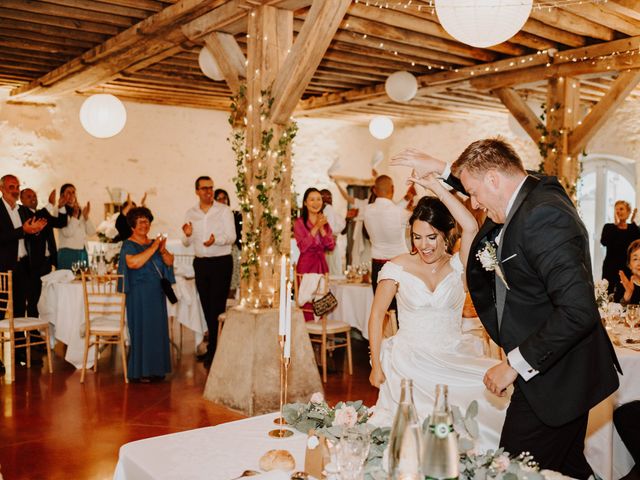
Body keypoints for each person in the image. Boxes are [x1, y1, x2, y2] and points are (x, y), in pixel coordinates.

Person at [392, 139, 621, 478]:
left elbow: (578, 311)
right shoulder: (529, 192)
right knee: (566, 466)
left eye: (474, 192)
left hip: (554, 375)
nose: (473, 202)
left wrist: (514, 364)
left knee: (508, 469)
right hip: (560, 371)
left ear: (495, 181)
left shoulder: (543, 216)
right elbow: (484, 179)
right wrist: (442, 170)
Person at [367, 192, 508, 452]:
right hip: (408, 362)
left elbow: (471, 226)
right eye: (417, 237)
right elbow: (376, 316)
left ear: (446, 233)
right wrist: (376, 365)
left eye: (432, 237)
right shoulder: (397, 267)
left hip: (453, 355)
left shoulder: (459, 265)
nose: (424, 245)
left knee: (499, 390)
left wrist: (436, 185)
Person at [182, 176, 236, 368]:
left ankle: (215, 351)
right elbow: (187, 242)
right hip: (201, 263)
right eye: (204, 188)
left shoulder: (223, 210)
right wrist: (187, 235)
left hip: (220, 262)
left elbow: (232, 236)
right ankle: (215, 346)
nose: (208, 191)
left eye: (210, 188)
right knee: (206, 307)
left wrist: (216, 240)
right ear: (196, 191)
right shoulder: (191, 212)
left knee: (217, 307)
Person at [118, 207, 174, 383]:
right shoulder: (128, 245)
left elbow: (170, 261)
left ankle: (157, 369)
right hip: (138, 295)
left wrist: (162, 250)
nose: (144, 224)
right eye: (140, 221)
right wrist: (154, 247)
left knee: (157, 330)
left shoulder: (154, 243)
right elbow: (134, 263)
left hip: (156, 294)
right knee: (142, 330)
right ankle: (141, 370)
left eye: (147, 220)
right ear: (132, 226)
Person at [0, 174, 47, 375]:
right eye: (11, 186)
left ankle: (19, 354)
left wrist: (34, 230)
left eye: (17, 186)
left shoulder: (21, 210)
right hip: (2, 267)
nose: (15, 190)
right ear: (2, 189)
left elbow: (27, 233)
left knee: (21, 309)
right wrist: (23, 230)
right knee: (1, 312)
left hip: (22, 265)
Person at [363, 175, 415, 315]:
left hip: (377, 266)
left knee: (382, 311)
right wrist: (410, 201)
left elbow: (387, 210)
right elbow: (396, 212)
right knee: (401, 311)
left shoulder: (367, 210)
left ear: (374, 190)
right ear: (392, 189)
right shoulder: (400, 213)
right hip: (399, 265)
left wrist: (406, 198)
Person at [20, 188, 68, 317]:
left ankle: (42, 329)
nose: (33, 198)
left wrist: (62, 207)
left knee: (46, 298)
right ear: (22, 200)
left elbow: (61, 223)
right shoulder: (23, 213)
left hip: (47, 262)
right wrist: (50, 204)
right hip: (33, 264)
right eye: (29, 196)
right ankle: (33, 333)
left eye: (34, 195)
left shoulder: (42, 214)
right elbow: (35, 219)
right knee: (34, 299)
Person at [293, 187, 335, 321]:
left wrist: (322, 228)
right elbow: (303, 247)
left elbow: (331, 245)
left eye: (319, 199)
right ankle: (305, 337)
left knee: (321, 303)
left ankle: (319, 337)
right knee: (306, 302)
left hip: (321, 266)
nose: (316, 202)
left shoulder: (325, 223)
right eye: (312, 199)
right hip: (306, 266)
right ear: (305, 203)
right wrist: (316, 226)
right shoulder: (299, 223)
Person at [601, 200, 640, 295]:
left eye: (621, 209)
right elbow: (604, 242)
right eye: (616, 209)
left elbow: (637, 243)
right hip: (610, 267)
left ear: (628, 211)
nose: (618, 211)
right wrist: (615, 225)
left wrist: (633, 223)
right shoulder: (609, 227)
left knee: (625, 295)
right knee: (608, 294)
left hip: (627, 268)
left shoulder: (633, 228)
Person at [57, 183, 95, 270]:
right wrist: (75, 216)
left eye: (73, 192)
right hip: (68, 252)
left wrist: (86, 216)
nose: (71, 195)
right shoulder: (59, 210)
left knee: (82, 282)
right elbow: (67, 233)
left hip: (82, 251)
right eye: (68, 193)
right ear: (62, 195)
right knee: (67, 282)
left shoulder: (79, 209)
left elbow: (91, 232)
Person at [214, 188, 242, 298]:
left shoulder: (235, 214)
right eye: (218, 198)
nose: (222, 201)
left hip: (233, 252)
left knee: (232, 285)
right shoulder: (212, 217)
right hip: (217, 253)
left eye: (224, 198)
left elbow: (239, 235)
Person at [320, 189, 346, 277]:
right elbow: (331, 229)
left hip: (333, 247)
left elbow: (341, 228)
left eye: (329, 197)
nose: (327, 199)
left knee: (334, 271)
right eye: (324, 197)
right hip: (323, 248)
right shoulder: (323, 212)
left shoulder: (333, 213)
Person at [614, 239, 640, 304]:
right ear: (629, 264)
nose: (639, 263)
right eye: (635, 259)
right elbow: (616, 311)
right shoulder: (623, 285)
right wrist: (628, 294)